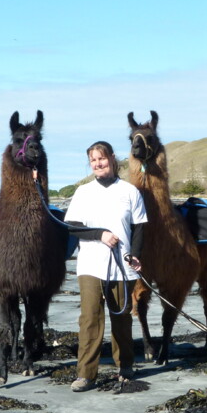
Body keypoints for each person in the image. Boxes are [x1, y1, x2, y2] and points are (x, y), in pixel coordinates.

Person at [63, 141, 147, 392]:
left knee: (121, 317)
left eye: (102, 158)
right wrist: (100, 234)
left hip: (122, 265)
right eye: (93, 160)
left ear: (112, 158)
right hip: (90, 264)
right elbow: (72, 227)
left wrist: (135, 254)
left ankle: (125, 365)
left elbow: (140, 226)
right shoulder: (83, 192)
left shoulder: (130, 191)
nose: (98, 164)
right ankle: (86, 374)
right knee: (90, 318)